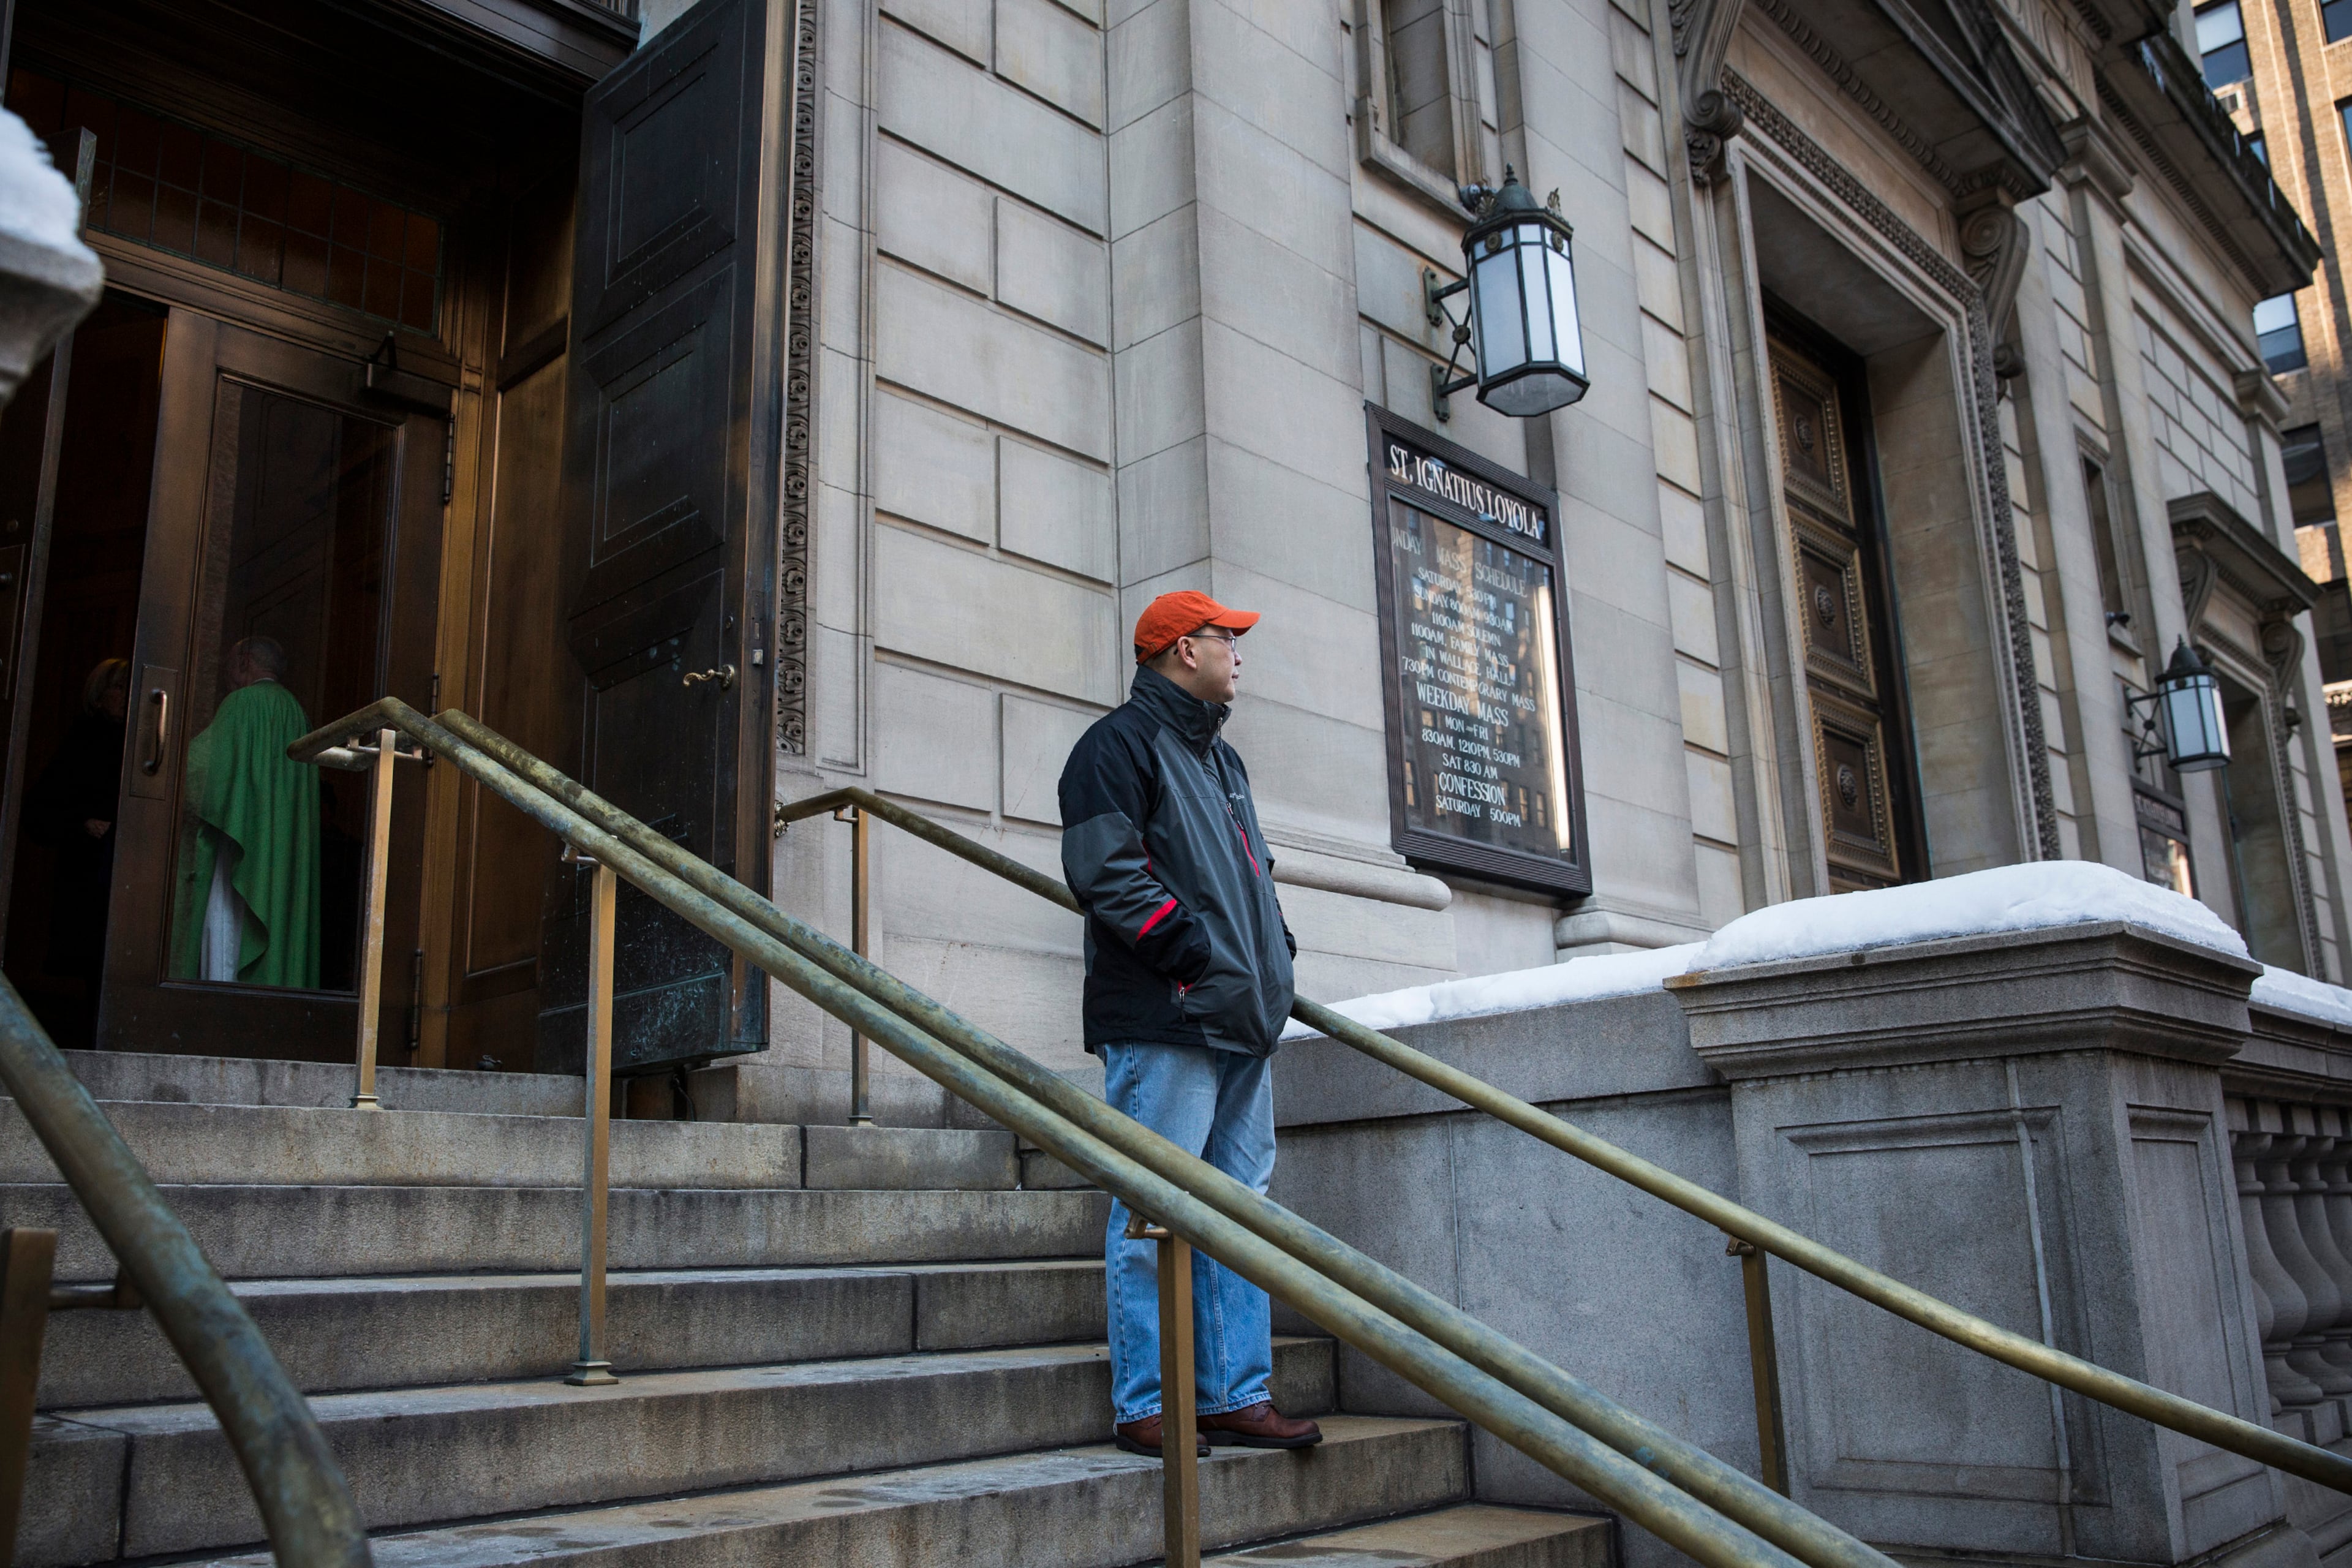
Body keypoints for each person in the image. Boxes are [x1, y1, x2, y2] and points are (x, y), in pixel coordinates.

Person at [1058, 589, 1321, 1458]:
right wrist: (1194, 953)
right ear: (1180, 650)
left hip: (1242, 1015)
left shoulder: (1225, 762)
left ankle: (1232, 1393)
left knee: (1239, 1209)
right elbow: (1107, 873)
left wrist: (1271, 954)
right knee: (1153, 1206)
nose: (1238, 654)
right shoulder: (1115, 746)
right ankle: (1148, 1402)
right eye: (1225, 639)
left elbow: (1251, 878)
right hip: (1169, 1014)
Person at [169, 636, 320, 988]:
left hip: (239, 847)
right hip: (279, 852)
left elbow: (199, 771)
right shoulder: (297, 713)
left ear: (244, 663)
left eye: (229, 666)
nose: (226, 677)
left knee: (226, 927)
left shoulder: (241, 704)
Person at [24, 658, 130, 986]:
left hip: (126, 876)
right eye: (120, 687)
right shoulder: (83, 741)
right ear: (99, 696)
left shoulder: (139, 741)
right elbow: (40, 814)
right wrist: (84, 823)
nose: (128, 695)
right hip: (88, 873)